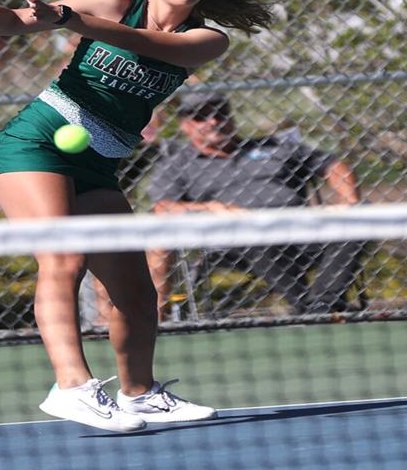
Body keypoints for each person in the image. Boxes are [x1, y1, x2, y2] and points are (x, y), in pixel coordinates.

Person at [0, 0, 276, 433]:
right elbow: (15, 23)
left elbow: (145, 45)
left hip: (100, 162)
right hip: (35, 143)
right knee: (63, 258)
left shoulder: (207, 39)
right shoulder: (112, 0)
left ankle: (140, 394)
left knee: (134, 291)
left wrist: (66, 18)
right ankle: (71, 387)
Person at [145, 92, 362, 317]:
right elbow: (164, 208)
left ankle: (322, 305)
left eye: (221, 114)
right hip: (238, 239)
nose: (214, 121)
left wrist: (348, 201)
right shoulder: (176, 164)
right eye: (201, 117)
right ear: (185, 126)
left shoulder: (277, 146)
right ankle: (316, 307)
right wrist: (213, 208)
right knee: (250, 233)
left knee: (358, 217)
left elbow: (333, 165)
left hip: (302, 230)